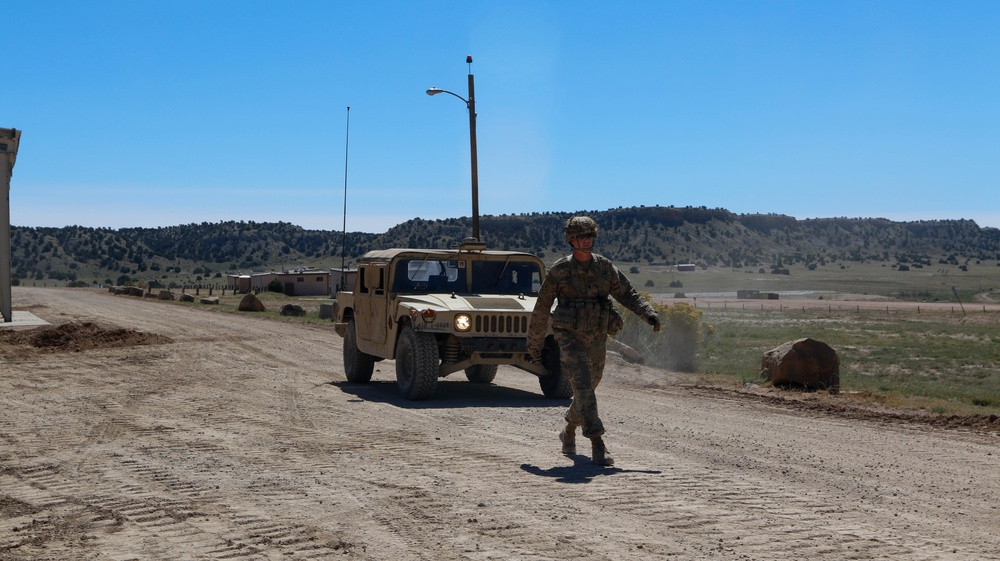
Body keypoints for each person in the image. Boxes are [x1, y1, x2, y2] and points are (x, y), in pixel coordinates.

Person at [526, 216, 661, 466]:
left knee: (588, 389)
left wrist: (647, 314)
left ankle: (568, 429)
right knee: (584, 386)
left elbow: (626, 293)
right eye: (582, 236)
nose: (587, 240)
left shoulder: (604, 267)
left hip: (598, 337)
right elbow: (542, 306)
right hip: (569, 338)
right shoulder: (560, 271)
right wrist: (534, 343)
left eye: (590, 236)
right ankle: (597, 443)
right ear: (571, 240)